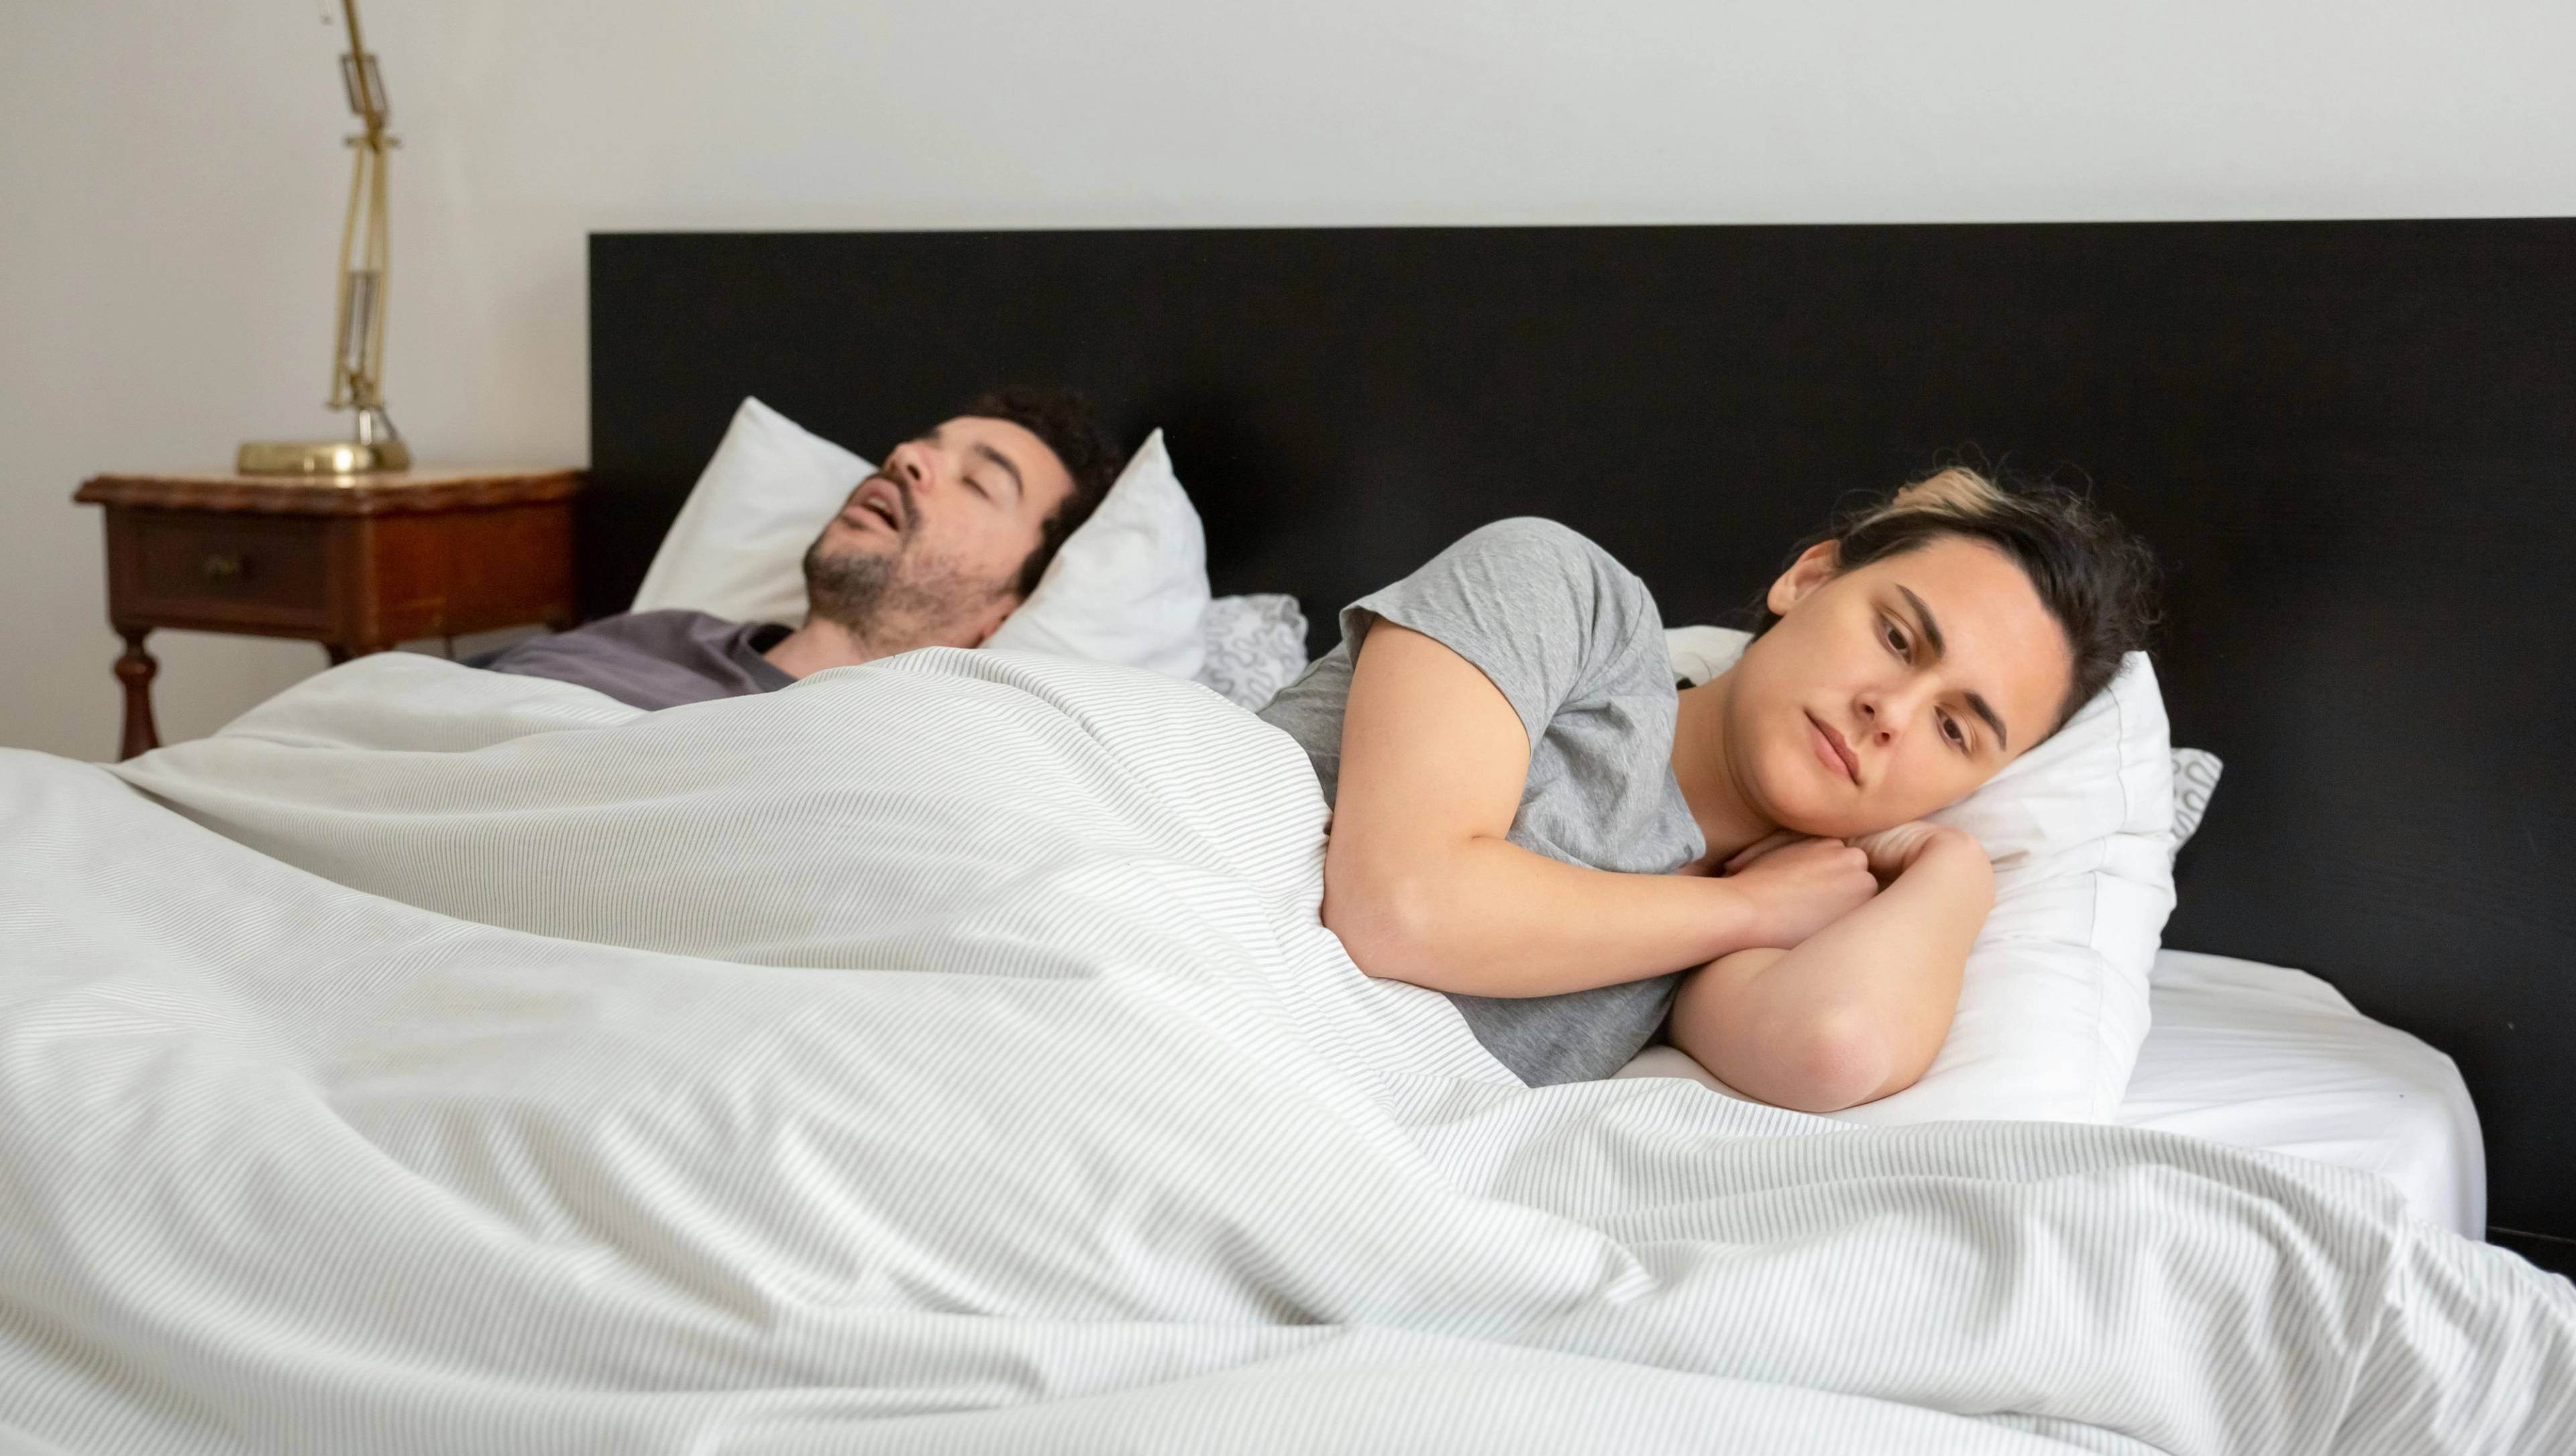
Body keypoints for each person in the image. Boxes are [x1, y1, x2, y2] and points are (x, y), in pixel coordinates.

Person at [1258, 467, 2158, 1110]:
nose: (1891, 712)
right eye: (1896, 637)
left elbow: (1835, 1044)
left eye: (1954, 729)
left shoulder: (1751, 930)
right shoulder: (1563, 595)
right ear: (1809, 578)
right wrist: (1747, 910)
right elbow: (1400, 905)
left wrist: (1954, 867)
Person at [476, 386, 1124, 710]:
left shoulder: (925, 755)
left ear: (1006, 615)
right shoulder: (653, 637)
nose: (905, 457)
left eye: (978, 482)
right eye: (922, 445)